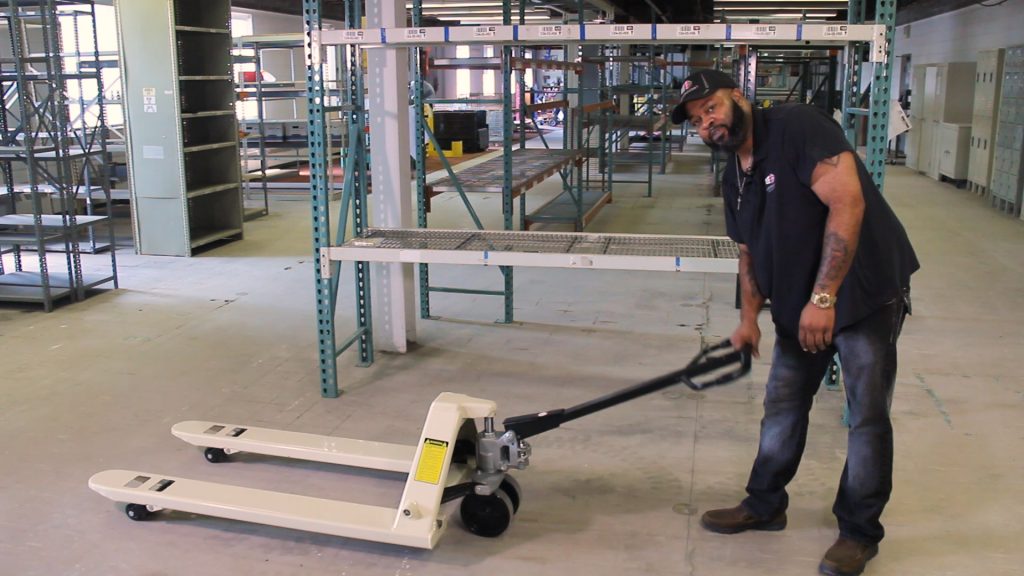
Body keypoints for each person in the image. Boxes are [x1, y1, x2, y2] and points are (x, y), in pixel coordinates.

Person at [671, 69, 919, 576]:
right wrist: (747, 321)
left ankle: (859, 532)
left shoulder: (799, 127)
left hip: (862, 294)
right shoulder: (734, 176)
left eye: (711, 108)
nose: (707, 124)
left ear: (739, 97)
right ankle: (765, 504)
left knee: (866, 415)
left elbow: (847, 201)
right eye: (697, 121)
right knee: (783, 403)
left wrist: (824, 298)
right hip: (799, 303)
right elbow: (748, 254)